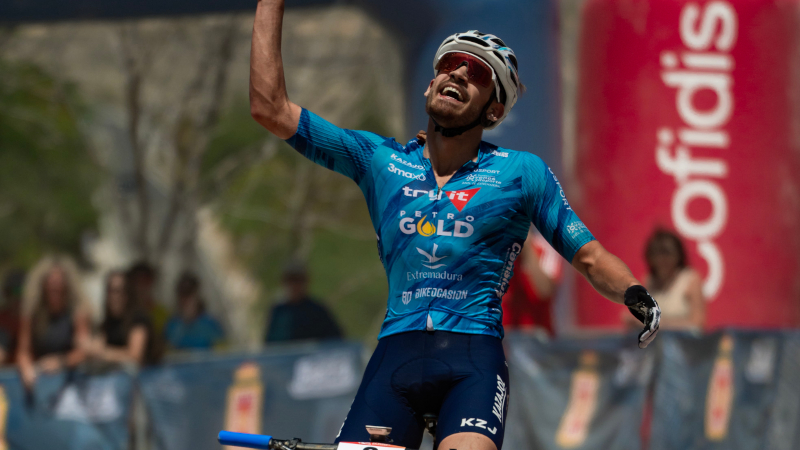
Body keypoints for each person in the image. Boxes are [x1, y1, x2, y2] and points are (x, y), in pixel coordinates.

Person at [250, 4, 661, 448]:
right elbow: (270, 109)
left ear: (494, 112)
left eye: (478, 73)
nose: (460, 73)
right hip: (394, 360)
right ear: (431, 85)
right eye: (450, 64)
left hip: (473, 362)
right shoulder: (379, 160)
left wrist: (633, 293)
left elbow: (589, 255)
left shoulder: (521, 173)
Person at [17, 256, 91, 389]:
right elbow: (23, 351)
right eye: (51, 286)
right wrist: (26, 368)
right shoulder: (32, 314)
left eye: (58, 287)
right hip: (41, 380)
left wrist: (61, 362)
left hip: (71, 382)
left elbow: (84, 351)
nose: (55, 290)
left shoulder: (77, 312)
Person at [630, 229, 705, 331]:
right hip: (654, 339)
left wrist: (659, 323)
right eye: (657, 253)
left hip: (682, 339)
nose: (663, 259)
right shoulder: (648, 281)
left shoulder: (690, 280)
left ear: (679, 255)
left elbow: (697, 324)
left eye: (667, 253)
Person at [83, 271, 152, 367]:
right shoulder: (107, 322)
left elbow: (135, 356)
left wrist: (104, 353)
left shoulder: (139, 319)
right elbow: (97, 346)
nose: (113, 296)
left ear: (127, 294)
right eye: (110, 291)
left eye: (117, 291)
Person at [502, 228, 563, 336]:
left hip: (537, 336)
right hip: (503, 335)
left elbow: (545, 291)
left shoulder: (546, 245)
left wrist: (527, 247)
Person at [265, 261, 343, 343]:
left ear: (306, 281)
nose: (293, 285)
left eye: (298, 280)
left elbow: (336, 341)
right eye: (290, 280)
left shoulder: (317, 311)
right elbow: (270, 343)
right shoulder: (279, 311)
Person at [164, 272, 225, 350]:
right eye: (182, 293)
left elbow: (222, 347)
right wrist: (185, 322)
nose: (186, 299)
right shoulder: (172, 325)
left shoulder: (211, 323)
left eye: (189, 292)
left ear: (197, 294)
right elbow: (168, 348)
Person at [0, 270, 25, 364]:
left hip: (32, 369)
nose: (17, 297)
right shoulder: (2, 318)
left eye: (21, 291)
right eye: (14, 291)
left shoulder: (35, 319)